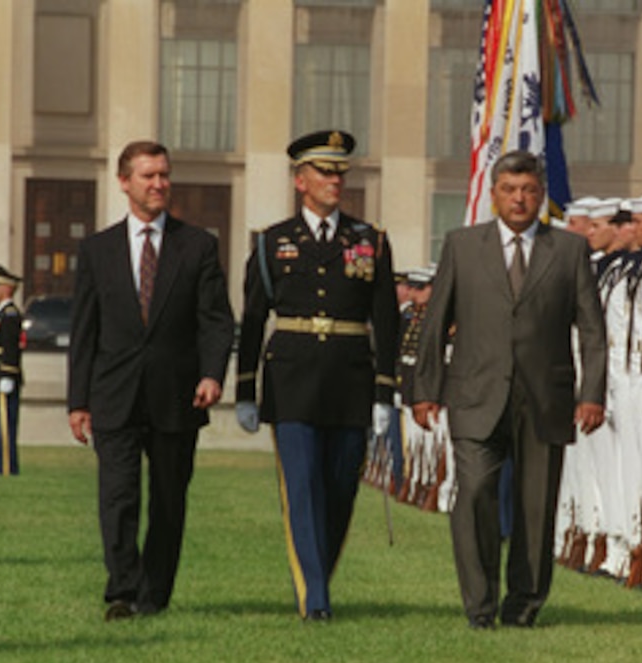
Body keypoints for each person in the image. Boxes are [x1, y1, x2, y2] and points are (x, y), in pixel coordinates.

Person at [412, 150, 606, 629]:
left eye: (529, 191)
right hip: (475, 394)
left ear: (541, 197)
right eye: (509, 190)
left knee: (536, 505)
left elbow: (592, 330)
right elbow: (435, 323)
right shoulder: (461, 245)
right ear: (494, 194)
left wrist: (592, 393)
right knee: (474, 490)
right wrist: (424, 389)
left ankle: (523, 605)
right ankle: (480, 604)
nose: (519, 199)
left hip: (545, 398)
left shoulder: (569, 250)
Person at [235, 129, 398, 621]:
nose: (335, 181)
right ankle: (316, 599)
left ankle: (317, 577)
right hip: (293, 383)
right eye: (325, 172)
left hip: (350, 381)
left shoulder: (370, 240)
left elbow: (387, 318)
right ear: (299, 180)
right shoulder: (272, 242)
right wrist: (245, 390)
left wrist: (385, 392)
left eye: (340, 172)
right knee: (302, 488)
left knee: (340, 492)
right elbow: (253, 320)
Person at [68, 140, 234, 621]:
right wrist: (78, 401)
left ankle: (154, 593)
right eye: (148, 175)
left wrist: (211, 373)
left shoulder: (198, 245)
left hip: (177, 396)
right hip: (114, 397)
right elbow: (84, 331)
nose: (159, 183)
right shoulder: (96, 250)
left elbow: (216, 320)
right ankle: (122, 589)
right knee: (117, 497)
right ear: (124, 182)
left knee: (167, 500)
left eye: (164, 174)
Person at [0, 265, 24, 477]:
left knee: (5, 428)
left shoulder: (10, 315)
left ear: (7, 289)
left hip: (4, 375)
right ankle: (0, 464)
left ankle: (8, 467)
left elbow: (10, 348)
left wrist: (8, 374)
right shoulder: (0, 314)